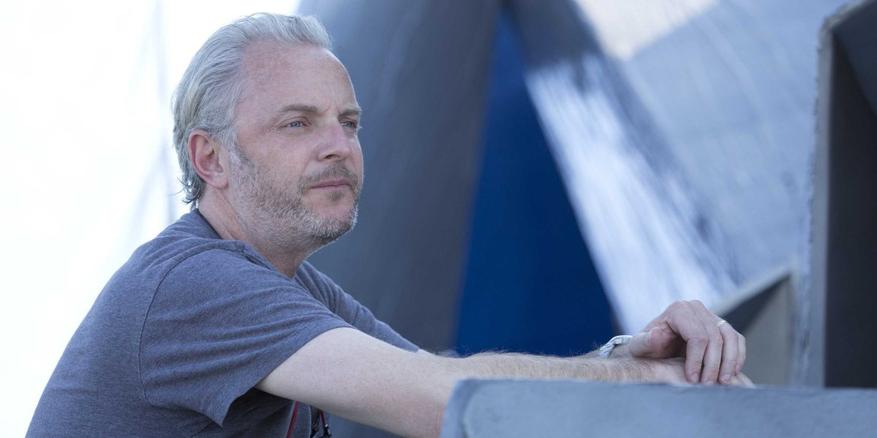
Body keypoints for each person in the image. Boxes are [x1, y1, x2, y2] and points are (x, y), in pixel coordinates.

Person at [27, 13, 749, 438]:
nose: (338, 146)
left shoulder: (290, 286)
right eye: (297, 123)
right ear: (209, 157)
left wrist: (627, 354)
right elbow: (443, 401)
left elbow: (435, 379)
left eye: (348, 122)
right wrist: (652, 379)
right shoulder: (195, 284)